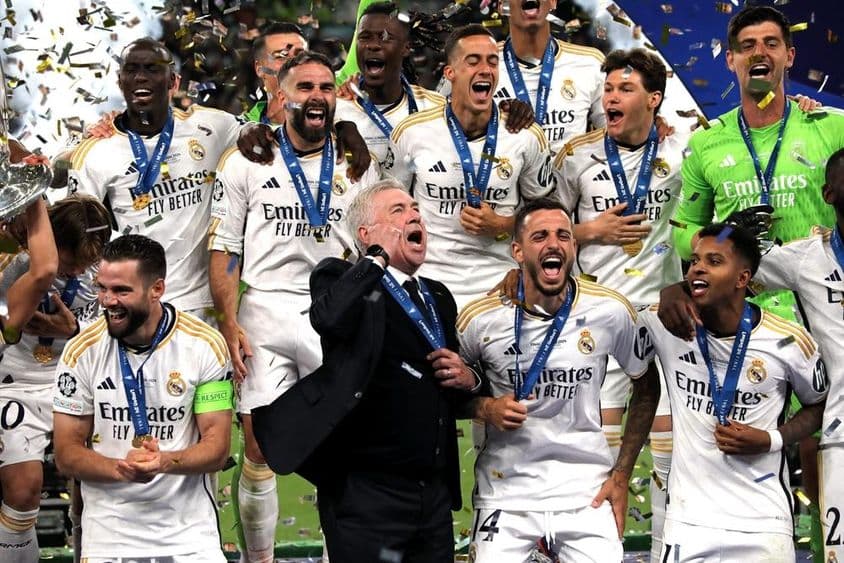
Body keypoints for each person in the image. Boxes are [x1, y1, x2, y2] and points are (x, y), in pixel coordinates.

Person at [668, 6, 844, 552]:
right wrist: (716, 240)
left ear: (790, 56)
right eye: (747, 45)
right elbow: (682, 233)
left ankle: (826, 545)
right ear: (730, 60)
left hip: (821, 310)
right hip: (748, 319)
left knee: (826, 435)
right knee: (745, 445)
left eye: (772, 43)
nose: (759, 53)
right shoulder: (707, 143)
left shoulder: (831, 125)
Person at [209, 50, 380, 563]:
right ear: (281, 96)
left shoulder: (357, 164)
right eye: (304, 87)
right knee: (260, 447)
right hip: (264, 311)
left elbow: (370, 247)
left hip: (334, 311)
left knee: (342, 445)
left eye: (326, 87)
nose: (317, 97)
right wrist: (229, 323)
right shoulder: (245, 158)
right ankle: (259, 560)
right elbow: (225, 248)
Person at [251, 180, 479, 562]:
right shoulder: (340, 278)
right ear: (365, 233)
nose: (414, 215)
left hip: (432, 493)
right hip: (366, 492)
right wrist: (376, 258)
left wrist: (470, 378)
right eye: (398, 211)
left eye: (415, 209)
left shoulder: (438, 296)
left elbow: (446, 389)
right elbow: (328, 318)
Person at [457, 197, 659, 562]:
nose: (553, 244)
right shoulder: (480, 318)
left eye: (563, 235)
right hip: (507, 493)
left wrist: (622, 474)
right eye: (540, 237)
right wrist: (485, 406)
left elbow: (646, 385)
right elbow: (446, 395)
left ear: (574, 246)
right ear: (517, 251)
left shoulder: (610, 310)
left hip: (586, 492)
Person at [553, 47, 684, 558]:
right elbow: (544, 232)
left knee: (672, 453)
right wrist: (590, 230)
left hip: (666, 320)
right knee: (600, 457)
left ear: (653, 100)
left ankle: (666, 550)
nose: (611, 96)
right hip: (598, 324)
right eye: (607, 89)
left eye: (624, 89)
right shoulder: (576, 156)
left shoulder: (683, 150)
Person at [639, 224, 827, 561]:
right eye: (695, 261)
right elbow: (598, 317)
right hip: (688, 523)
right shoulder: (665, 324)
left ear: (742, 279)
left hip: (764, 522)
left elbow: (820, 404)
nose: (698, 267)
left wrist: (772, 439)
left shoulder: (787, 340)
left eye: (714, 261)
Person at [52, 234, 233, 562]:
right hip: (111, 534)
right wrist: (120, 469)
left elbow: (217, 447)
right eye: (102, 288)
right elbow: (66, 454)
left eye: (121, 291)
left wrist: (165, 461)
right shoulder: (81, 352)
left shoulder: (206, 345)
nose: (107, 301)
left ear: (157, 290)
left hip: (188, 536)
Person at [67, 38, 245, 322]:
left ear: (174, 82)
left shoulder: (215, 127)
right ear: (120, 81)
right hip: (138, 306)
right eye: (132, 69)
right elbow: (78, 237)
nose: (140, 76)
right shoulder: (96, 151)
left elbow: (271, 139)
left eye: (152, 68)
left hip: (205, 305)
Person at [385, 24, 553, 309]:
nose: (485, 69)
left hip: (502, 284)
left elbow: (549, 215)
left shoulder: (525, 135)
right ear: (450, 73)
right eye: (473, 61)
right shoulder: (411, 133)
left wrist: (504, 224)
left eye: (492, 61)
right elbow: (390, 211)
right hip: (429, 281)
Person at [0, 196, 108, 563]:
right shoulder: (18, 264)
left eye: (85, 266)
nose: (77, 274)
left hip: (79, 380)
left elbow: (124, 323)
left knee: (95, 493)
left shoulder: (105, 268)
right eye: (70, 263)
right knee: (22, 490)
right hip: (18, 383)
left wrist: (74, 329)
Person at [334, 1, 534, 172]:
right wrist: (339, 123)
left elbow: (479, 135)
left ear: (406, 48)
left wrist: (510, 111)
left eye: (385, 37)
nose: (373, 45)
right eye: (365, 37)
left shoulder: (437, 107)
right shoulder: (335, 107)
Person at [494, 0, 605, 154]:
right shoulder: (481, 64)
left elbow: (618, 137)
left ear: (553, 2)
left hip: (568, 177)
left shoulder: (591, 63)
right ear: (502, 7)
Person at [243, 21, 308, 126]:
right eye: (281, 57)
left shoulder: (337, 124)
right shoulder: (236, 132)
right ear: (259, 69)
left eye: (301, 56)